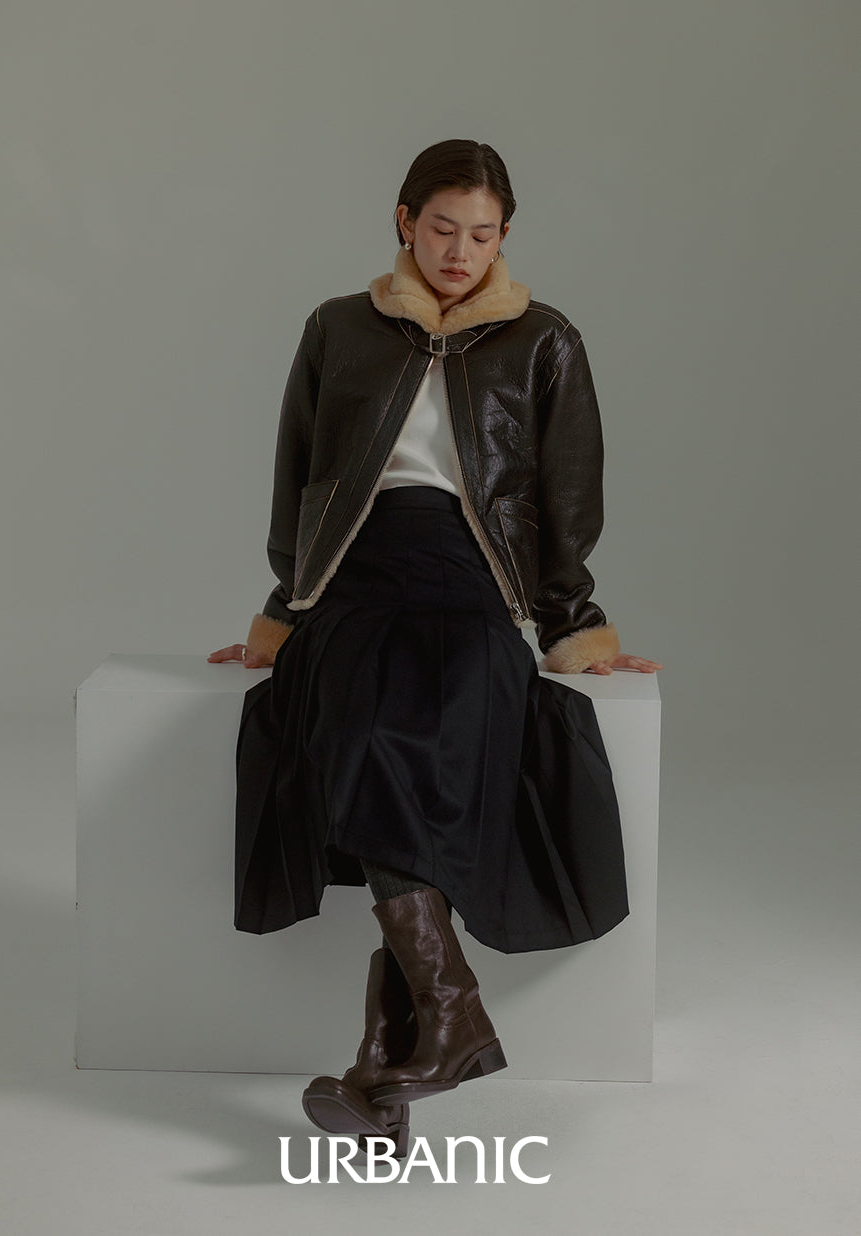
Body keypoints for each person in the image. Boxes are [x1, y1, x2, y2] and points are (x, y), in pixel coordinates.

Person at [208, 139, 663, 1157]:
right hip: (356, 580)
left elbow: (566, 496)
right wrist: (284, 608)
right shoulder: (338, 327)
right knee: (367, 732)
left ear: (504, 238)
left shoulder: (543, 339)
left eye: (483, 234)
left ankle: (388, 1062)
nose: (460, 252)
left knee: (413, 738)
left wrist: (572, 624)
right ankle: (439, 1026)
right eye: (443, 228)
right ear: (404, 221)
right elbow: (300, 478)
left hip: (470, 580)